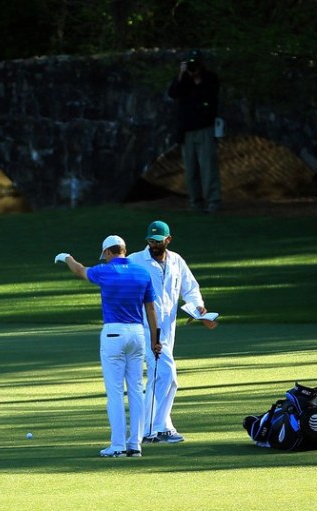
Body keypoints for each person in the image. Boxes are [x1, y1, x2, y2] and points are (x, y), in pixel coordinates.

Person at [55, 235, 160, 457]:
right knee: (136, 391)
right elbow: (151, 310)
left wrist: (67, 257)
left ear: (109, 252)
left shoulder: (106, 271)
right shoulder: (142, 273)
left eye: (104, 255)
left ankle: (118, 445)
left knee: (114, 392)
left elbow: (80, 270)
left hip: (114, 333)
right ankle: (135, 445)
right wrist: (155, 339)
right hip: (138, 334)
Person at [127, 220, 208, 444]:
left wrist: (197, 307)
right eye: (150, 240)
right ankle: (158, 428)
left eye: (158, 240)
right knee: (168, 376)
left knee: (158, 378)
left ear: (168, 240)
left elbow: (190, 289)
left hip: (169, 328)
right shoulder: (135, 260)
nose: (153, 244)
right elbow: (118, 280)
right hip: (146, 328)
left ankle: (151, 428)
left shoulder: (176, 261)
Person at [168, 49, 222, 213]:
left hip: (204, 127)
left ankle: (213, 201)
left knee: (207, 166)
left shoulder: (209, 79)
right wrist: (181, 74)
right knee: (191, 169)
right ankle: (195, 202)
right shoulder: (183, 80)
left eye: (195, 63)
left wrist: (198, 79)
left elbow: (210, 96)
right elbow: (173, 93)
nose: (193, 67)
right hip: (187, 130)